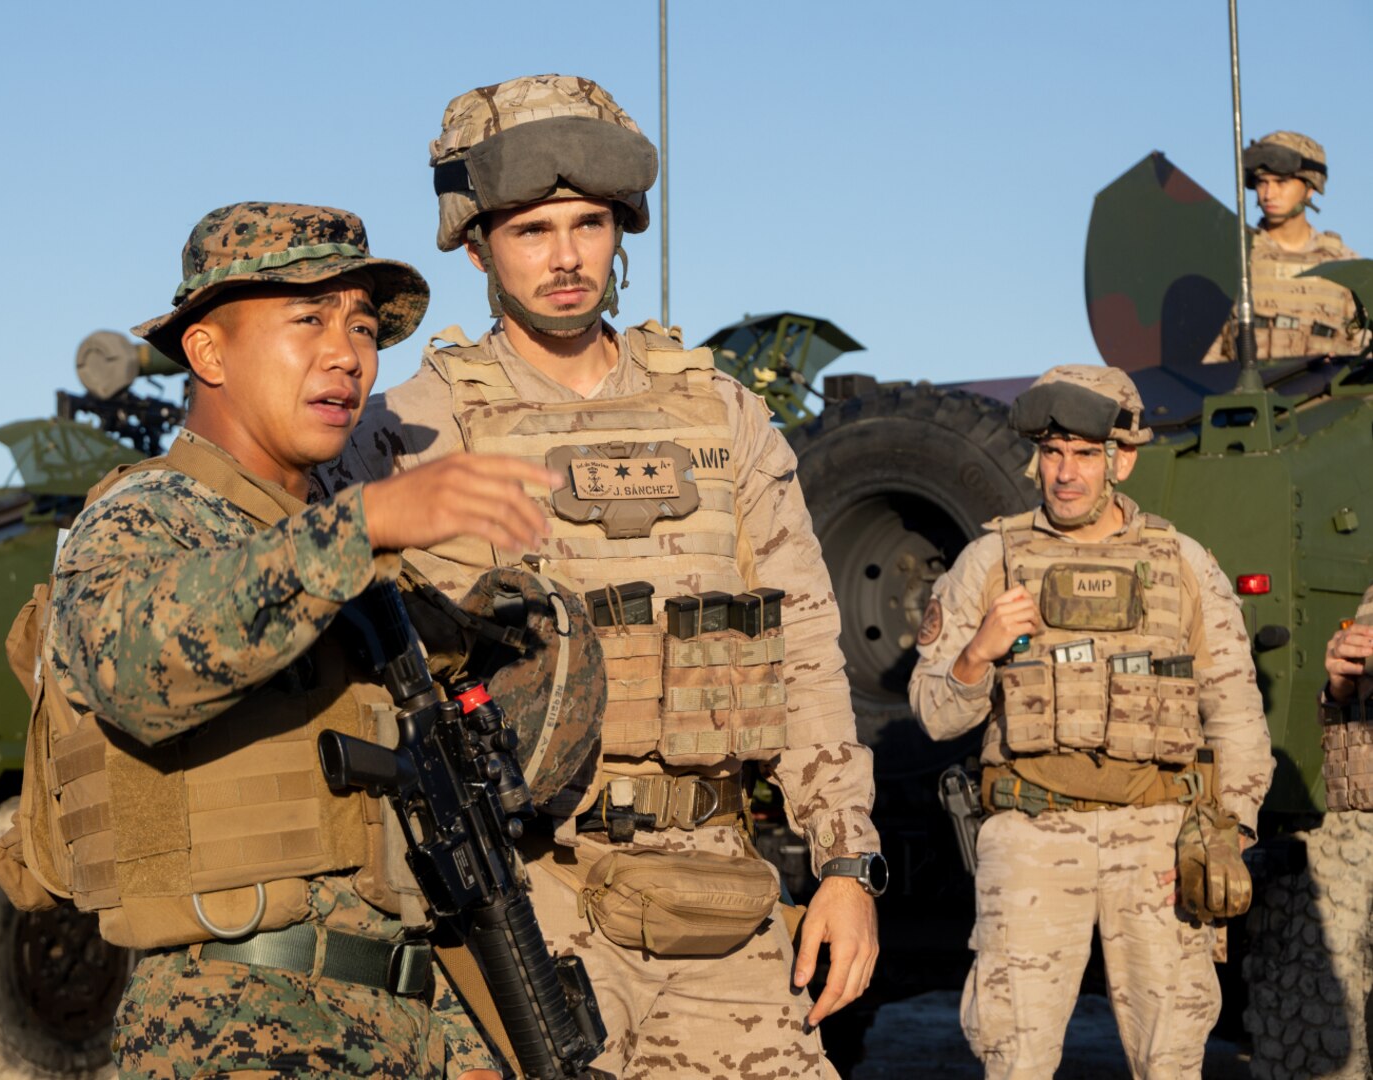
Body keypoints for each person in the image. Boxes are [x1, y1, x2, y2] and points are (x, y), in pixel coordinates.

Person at [321, 74, 881, 1077]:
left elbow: (803, 646)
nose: (567, 257)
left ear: (623, 228)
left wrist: (847, 864)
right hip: (527, 889)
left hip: (716, 884)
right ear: (478, 242)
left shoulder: (721, 416)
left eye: (587, 223)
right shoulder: (410, 427)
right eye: (532, 230)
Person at [0, 202, 585, 1079]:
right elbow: (133, 665)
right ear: (207, 352)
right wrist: (363, 526)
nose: (347, 353)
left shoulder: (361, 561)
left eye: (360, 325)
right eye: (307, 319)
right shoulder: (149, 513)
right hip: (240, 1021)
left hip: (416, 1017)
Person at [908, 364, 1275, 1078]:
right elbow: (931, 713)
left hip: (1160, 845)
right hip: (1032, 840)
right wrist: (978, 651)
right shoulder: (991, 560)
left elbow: (1233, 713)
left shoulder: (1184, 564)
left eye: (1082, 454)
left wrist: (1229, 831)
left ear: (1122, 459)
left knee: (1171, 1058)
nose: (1064, 474)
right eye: (1051, 454)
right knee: (1014, 1055)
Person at [1203, 130, 1368, 362]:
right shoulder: (1235, 257)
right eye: (1262, 183)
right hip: (1242, 396)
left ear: (1310, 187)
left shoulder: (1345, 266)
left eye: (1281, 182)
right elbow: (1205, 355)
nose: (1269, 194)